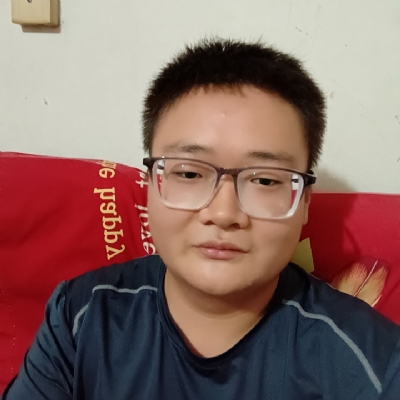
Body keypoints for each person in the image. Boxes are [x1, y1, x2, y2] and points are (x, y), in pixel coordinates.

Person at [4, 38, 400, 400]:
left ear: (305, 201)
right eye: (190, 173)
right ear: (150, 184)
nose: (224, 214)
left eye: (264, 180)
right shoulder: (82, 317)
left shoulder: (373, 365)